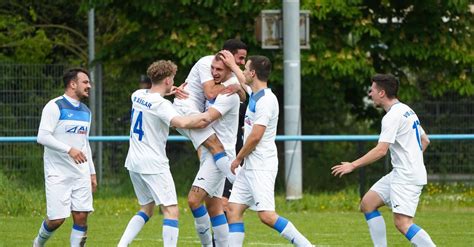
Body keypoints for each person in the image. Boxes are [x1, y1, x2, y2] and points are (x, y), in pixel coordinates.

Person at [331, 74, 436, 246]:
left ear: (381, 93)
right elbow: (425, 141)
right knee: (368, 203)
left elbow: (381, 151)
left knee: (403, 224)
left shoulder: (392, 116)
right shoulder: (406, 110)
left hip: (406, 176)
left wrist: (353, 165)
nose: (370, 94)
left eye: (372, 90)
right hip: (401, 173)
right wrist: (413, 160)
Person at [117, 60, 212, 247]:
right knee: (171, 211)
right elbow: (182, 122)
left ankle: (121, 245)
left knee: (147, 208)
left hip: (134, 162)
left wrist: (169, 92)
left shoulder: (137, 95)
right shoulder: (162, 105)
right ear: (168, 80)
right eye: (173, 79)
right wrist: (207, 116)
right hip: (153, 164)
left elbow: (152, 99)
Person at [224, 55, 313, 247]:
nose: (244, 72)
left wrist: (238, 158)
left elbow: (256, 136)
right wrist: (232, 64)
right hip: (250, 166)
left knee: (266, 216)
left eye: (246, 69)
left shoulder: (266, 101)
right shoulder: (255, 93)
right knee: (233, 209)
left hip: (261, 165)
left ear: (253, 73)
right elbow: (243, 80)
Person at [33, 68, 97, 247]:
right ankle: (37, 243)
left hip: (80, 172)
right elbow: (42, 137)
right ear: (72, 84)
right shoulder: (54, 106)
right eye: (85, 82)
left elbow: (85, 143)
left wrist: (91, 173)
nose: (89, 86)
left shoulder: (86, 111)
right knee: (57, 219)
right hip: (58, 172)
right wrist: (69, 149)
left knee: (81, 216)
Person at [173, 39, 248, 184]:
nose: (242, 62)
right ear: (228, 56)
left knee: (209, 203)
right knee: (215, 144)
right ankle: (243, 185)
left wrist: (238, 88)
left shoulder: (230, 76)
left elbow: (244, 96)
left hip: (195, 113)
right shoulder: (207, 62)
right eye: (240, 58)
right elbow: (210, 94)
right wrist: (234, 86)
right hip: (185, 110)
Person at [187, 54, 241, 247]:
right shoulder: (222, 91)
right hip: (211, 152)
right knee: (215, 207)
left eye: (219, 70)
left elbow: (204, 120)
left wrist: (176, 118)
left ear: (228, 71)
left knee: (194, 201)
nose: (214, 72)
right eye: (213, 68)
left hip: (220, 155)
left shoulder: (228, 95)